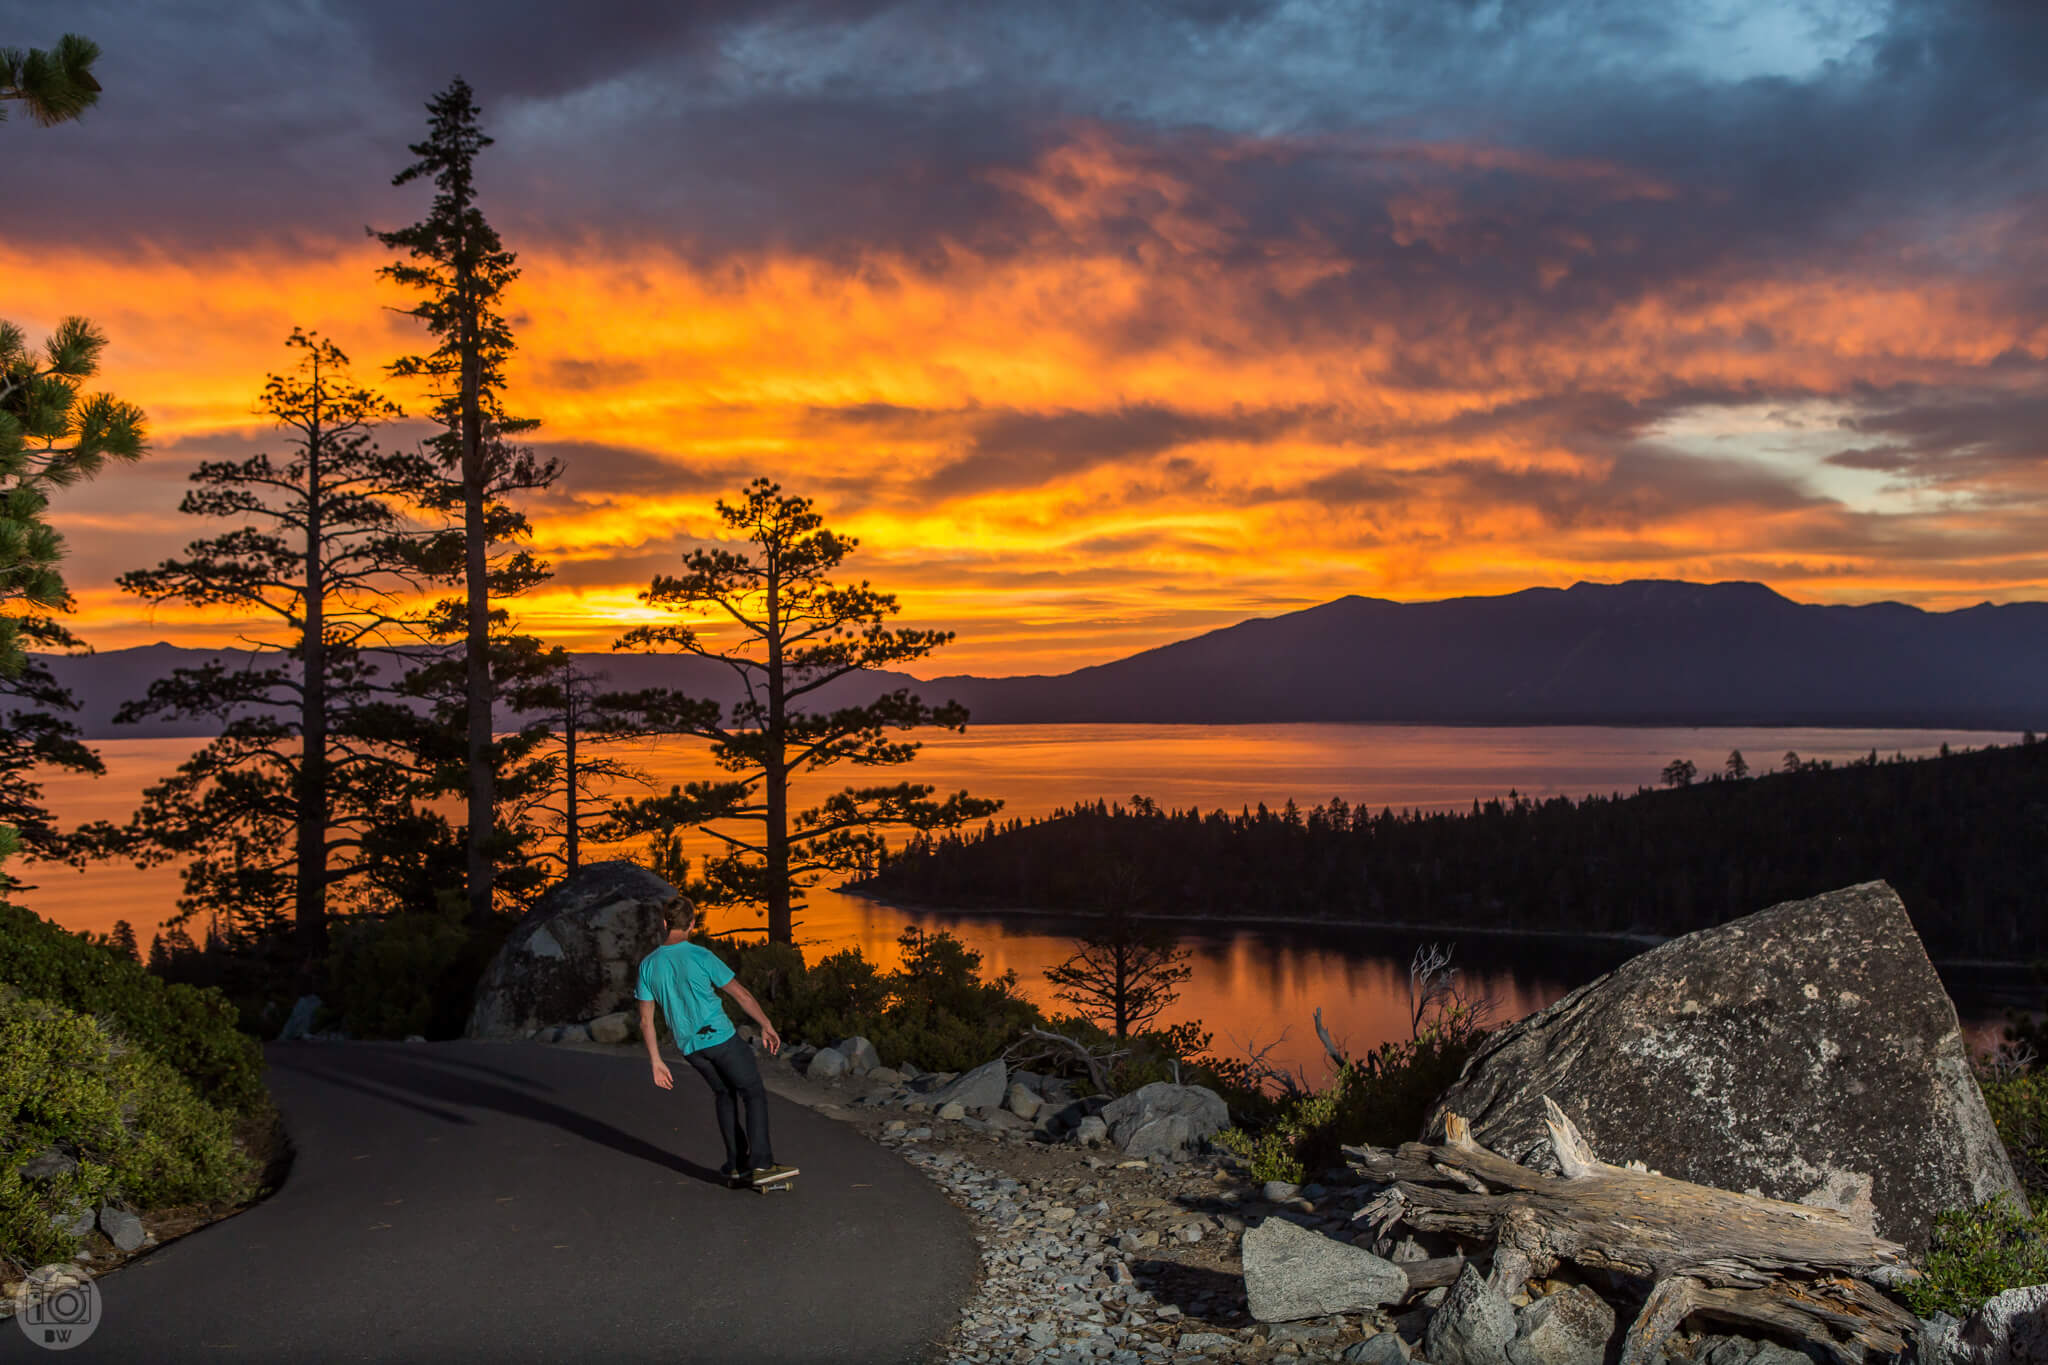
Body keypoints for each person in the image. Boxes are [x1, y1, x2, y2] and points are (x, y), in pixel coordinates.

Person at [635, 894, 797, 1188]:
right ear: (692, 923)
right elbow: (741, 994)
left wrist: (656, 1062)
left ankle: (736, 1167)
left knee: (724, 1094)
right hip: (721, 1040)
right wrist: (766, 1024)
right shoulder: (701, 956)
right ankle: (761, 1165)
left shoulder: (648, 965)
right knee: (753, 1093)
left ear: (664, 923)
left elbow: (646, 1020)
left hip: (691, 1049)